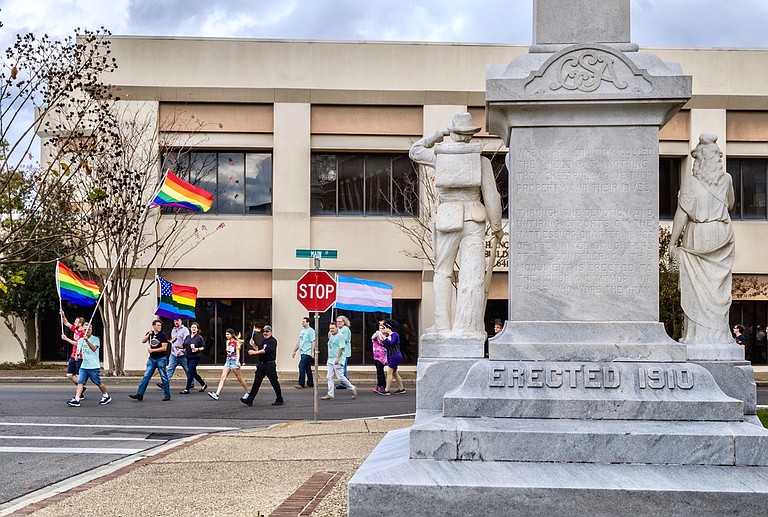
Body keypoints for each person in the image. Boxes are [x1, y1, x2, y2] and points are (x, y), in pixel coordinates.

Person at [409, 112, 504, 339]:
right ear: (470, 135)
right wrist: (497, 225)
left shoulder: (440, 156)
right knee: (472, 275)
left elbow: (415, 150)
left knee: (442, 272)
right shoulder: (481, 161)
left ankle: (442, 327)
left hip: (448, 219)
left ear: (453, 133)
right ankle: (469, 326)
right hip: (474, 219)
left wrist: (438, 134)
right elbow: (492, 196)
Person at [669, 134, 735, 345]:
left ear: (700, 160)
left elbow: (682, 214)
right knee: (717, 288)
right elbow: (731, 204)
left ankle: (697, 336)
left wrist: (672, 242)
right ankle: (719, 336)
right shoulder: (727, 180)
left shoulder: (690, 182)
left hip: (697, 234)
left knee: (698, 288)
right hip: (719, 232)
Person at [65, 323, 111, 406]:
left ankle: (106, 395)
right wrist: (77, 355)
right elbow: (78, 350)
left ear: (91, 330)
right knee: (80, 382)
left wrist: (87, 341)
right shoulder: (80, 340)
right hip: (84, 366)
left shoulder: (95, 339)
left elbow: (94, 349)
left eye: (88, 330)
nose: (87, 331)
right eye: (85, 330)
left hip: (93, 366)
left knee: (98, 382)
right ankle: (77, 399)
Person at [241, 325, 284, 406]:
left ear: (271, 332)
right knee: (256, 383)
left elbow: (266, 350)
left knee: (274, 382)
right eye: (264, 332)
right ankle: (250, 399)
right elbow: (259, 349)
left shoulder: (273, 341)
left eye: (267, 331)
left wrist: (255, 352)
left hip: (269, 364)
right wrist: (253, 345)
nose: (265, 333)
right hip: (261, 365)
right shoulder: (262, 341)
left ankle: (279, 399)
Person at [130, 319, 171, 401]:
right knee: (146, 376)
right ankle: (139, 394)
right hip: (152, 359)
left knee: (164, 377)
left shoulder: (163, 335)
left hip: (161, 359)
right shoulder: (151, 334)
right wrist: (148, 334)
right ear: (154, 326)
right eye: (158, 325)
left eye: (160, 325)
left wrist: (153, 350)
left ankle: (167, 395)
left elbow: (164, 348)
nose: (159, 327)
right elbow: (143, 341)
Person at [207, 328, 250, 400]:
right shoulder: (227, 342)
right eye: (226, 334)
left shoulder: (236, 342)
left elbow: (237, 353)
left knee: (239, 378)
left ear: (232, 334)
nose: (226, 335)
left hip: (234, 360)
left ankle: (248, 392)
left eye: (228, 334)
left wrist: (237, 361)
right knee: (223, 377)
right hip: (228, 360)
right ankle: (217, 394)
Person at [321, 322, 357, 400]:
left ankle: (352, 387)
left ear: (337, 328)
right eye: (330, 328)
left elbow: (341, 347)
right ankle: (330, 394)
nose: (331, 330)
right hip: (330, 359)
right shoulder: (331, 335)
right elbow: (330, 347)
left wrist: (337, 358)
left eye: (333, 328)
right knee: (329, 377)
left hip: (338, 359)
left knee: (340, 377)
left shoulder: (340, 336)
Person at [60, 309, 88, 398]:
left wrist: (66, 339)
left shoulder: (82, 333)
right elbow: (66, 323)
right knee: (69, 375)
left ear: (80, 324)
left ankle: (79, 394)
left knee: (78, 375)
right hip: (73, 355)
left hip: (80, 356)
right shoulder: (75, 329)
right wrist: (63, 315)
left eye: (76, 322)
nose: (74, 323)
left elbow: (77, 343)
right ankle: (81, 387)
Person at [158, 318, 191, 389]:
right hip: (174, 353)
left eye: (178, 320)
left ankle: (191, 383)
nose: (176, 322)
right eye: (175, 320)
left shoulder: (185, 330)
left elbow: (187, 341)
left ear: (181, 321)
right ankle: (165, 383)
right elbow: (174, 339)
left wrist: (182, 350)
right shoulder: (173, 330)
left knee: (187, 369)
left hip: (182, 354)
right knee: (170, 368)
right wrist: (171, 342)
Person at [180, 322, 207, 394]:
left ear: (198, 329)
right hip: (188, 356)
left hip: (195, 357)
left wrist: (197, 349)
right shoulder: (187, 337)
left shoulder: (199, 338)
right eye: (192, 327)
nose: (193, 329)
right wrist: (178, 346)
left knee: (190, 372)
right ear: (190, 328)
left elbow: (203, 347)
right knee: (193, 373)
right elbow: (184, 346)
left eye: (195, 327)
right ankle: (203, 384)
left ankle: (187, 389)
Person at [381, 319, 405, 395]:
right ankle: (401, 388)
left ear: (389, 328)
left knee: (389, 372)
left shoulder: (394, 334)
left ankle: (387, 390)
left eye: (384, 327)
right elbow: (384, 344)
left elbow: (391, 343)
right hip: (391, 356)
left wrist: (384, 338)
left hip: (395, 355)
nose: (383, 329)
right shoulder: (388, 336)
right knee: (394, 373)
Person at [292, 317, 315, 389]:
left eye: (304, 322)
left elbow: (313, 341)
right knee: (307, 368)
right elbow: (299, 342)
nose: (302, 323)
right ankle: (310, 383)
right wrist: (294, 350)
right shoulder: (302, 331)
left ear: (308, 322)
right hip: (302, 352)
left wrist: (312, 352)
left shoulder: (311, 331)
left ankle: (301, 383)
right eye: (302, 322)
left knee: (301, 365)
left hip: (307, 352)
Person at [371, 321, 388, 395]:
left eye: (382, 328)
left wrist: (381, 334)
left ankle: (382, 386)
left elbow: (381, 341)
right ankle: (378, 385)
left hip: (382, 356)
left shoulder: (386, 336)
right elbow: (372, 337)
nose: (380, 330)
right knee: (378, 371)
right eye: (379, 328)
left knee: (380, 371)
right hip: (376, 355)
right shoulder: (377, 334)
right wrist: (378, 333)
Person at [335, 315, 352, 389]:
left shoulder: (345, 329)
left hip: (344, 351)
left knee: (343, 367)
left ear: (344, 322)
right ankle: (344, 380)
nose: (338, 323)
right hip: (339, 351)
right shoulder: (338, 329)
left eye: (340, 321)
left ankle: (344, 383)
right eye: (337, 321)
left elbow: (343, 340)